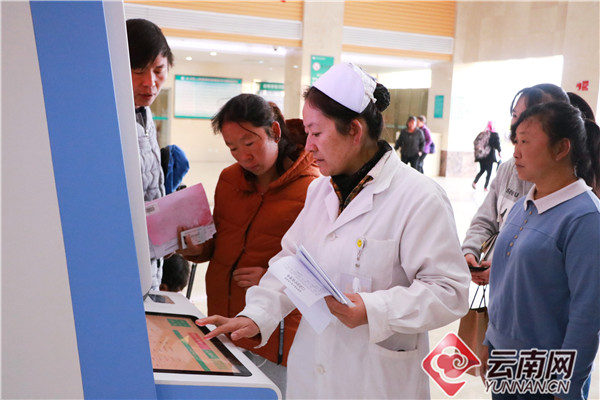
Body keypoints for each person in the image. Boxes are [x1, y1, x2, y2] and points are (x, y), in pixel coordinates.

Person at [197, 63, 471, 399]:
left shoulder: (419, 197)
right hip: (311, 374)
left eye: (316, 133)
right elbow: (290, 263)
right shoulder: (321, 191)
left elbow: (449, 291)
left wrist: (374, 309)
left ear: (354, 130)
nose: (308, 146)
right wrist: (257, 315)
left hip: (375, 381)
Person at [177, 94, 320, 395]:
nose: (243, 156)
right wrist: (198, 250)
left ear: (275, 132)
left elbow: (321, 266)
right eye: (232, 148)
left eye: (250, 142)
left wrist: (272, 276)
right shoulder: (229, 179)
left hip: (277, 333)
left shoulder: (312, 188)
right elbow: (220, 240)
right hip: (224, 321)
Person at [485, 101, 600, 399]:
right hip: (503, 360)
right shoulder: (523, 205)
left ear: (561, 148)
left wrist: (566, 386)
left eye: (525, 141)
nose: (516, 152)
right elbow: (506, 285)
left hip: (546, 371)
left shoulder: (585, 217)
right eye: (515, 141)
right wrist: (490, 342)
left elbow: (587, 314)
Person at [464, 84, 571, 283]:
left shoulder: (576, 203)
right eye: (515, 115)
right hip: (502, 297)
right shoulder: (508, 169)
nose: (518, 126)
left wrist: (504, 269)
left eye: (530, 116)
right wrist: (471, 251)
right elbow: (485, 220)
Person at [126, 18, 173, 290]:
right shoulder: (109, 117)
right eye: (138, 70)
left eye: (158, 70)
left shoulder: (144, 113)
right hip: (125, 264)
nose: (150, 83)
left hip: (150, 259)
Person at [472, 121, 502, 191]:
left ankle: (474, 182)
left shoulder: (482, 134)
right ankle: (485, 187)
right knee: (489, 173)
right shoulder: (494, 135)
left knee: (482, 170)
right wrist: (499, 152)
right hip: (490, 157)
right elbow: (497, 145)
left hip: (482, 156)